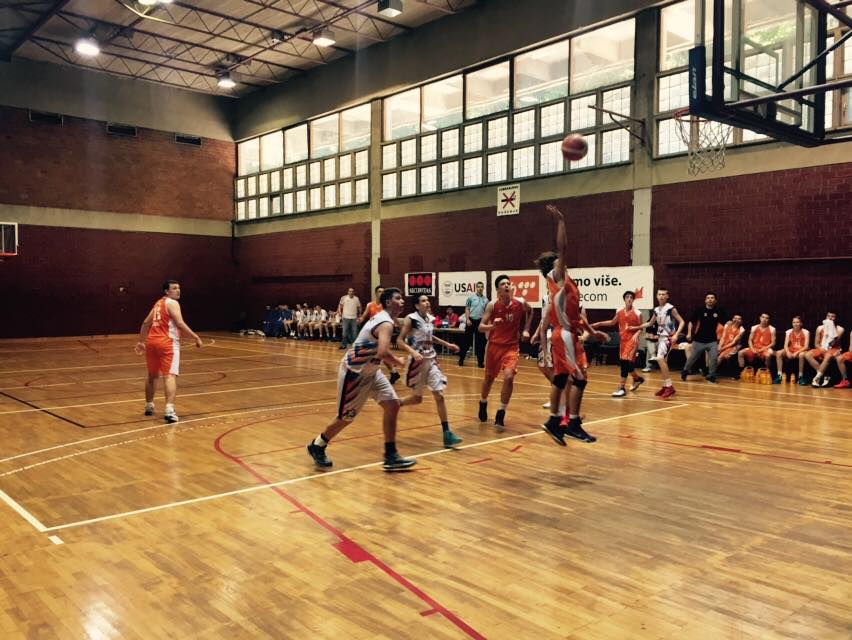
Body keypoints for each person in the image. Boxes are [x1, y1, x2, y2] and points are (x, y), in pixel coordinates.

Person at [306, 288, 415, 471]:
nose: (402, 301)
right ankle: (317, 445)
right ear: (388, 302)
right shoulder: (386, 323)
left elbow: (379, 352)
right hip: (354, 373)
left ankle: (390, 456)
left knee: (393, 405)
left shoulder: (387, 319)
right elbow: (383, 352)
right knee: (345, 418)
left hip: (372, 372)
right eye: (398, 298)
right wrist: (399, 361)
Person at [537, 205, 608, 444]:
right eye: (560, 262)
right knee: (579, 379)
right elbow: (563, 248)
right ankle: (572, 424)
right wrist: (561, 222)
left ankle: (554, 422)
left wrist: (593, 331)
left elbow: (577, 316)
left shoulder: (565, 285)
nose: (564, 264)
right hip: (564, 335)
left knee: (560, 378)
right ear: (555, 266)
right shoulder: (556, 278)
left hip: (567, 334)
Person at [398, 294, 463, 448]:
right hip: (417, 362)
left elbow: (430, 337)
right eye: (423, 301)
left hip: (431, 360)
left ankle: (447, 434)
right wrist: (413, 352)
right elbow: (399, 340)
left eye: (427, 300)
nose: (427, 302)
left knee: (439, 396)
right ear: (416, 305)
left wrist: (447, 344)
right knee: (417, 399)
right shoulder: (411, 319)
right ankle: (395, 404)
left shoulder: (430, 319)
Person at [134, 280, 203, 424]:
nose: (178, 290)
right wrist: (196, 337)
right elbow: (180, 323)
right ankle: (170, 411)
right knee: (170, 376)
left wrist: (141, 341)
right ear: (166, 291)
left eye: (179, 288)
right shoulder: (172, 303)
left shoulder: (158, 304)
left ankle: (149, 405)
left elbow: (146, 323)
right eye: (174, 288)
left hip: (152, 342)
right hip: (167, 343)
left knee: (152, 375)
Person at [477, 274, 532, 432]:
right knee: (489, 379)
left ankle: (501, 412)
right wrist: (493, 326)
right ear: (497, 289)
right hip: (494, 346)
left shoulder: (519, 303)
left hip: (511, 347)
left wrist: (526, 329)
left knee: (508, 377)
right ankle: (483, 402)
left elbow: (531, 311)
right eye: (503, 284)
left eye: (508, 283)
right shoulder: (492, 305)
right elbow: (480, 327)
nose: (507, 285)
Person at [592, 291, 645, 397]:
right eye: (627, 297)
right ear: (624, 299)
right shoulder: (619, 311)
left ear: (633, 300)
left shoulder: (638, 313)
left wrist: (637, 334)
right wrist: (599, 323)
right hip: (623, 340)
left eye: (631, 297)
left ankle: (622, 388)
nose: (629, 299)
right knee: (626, 363)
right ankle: (637, 379)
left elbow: (641, 327)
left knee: (624, 362)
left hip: (632, 340)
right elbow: (612, 322)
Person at [637, 288, 686, 399]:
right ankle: (665, 386)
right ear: (657, 296)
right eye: (659, 294)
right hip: (661, 338)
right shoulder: (656, 310)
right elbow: (650, 323)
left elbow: (682, 322)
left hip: (668, 338)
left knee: (659, 359)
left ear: (667, 296)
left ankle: (669, 387)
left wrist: (676, 335)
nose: (661, 296)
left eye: (664, 294)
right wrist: (636, 327)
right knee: (663, 362)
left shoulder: (670, 308)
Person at [681, 292, 726, 384]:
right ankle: (685, 370)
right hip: (699, 340)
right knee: (692, 358)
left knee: (714, 358)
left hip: (712, 340)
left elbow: (727, 322)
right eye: (708, 298)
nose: (710, 299)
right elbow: (691, 321)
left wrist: (731, 324)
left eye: (712, 298)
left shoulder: (719, 311)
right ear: (705, 300)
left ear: (715, 300)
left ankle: (711, 375)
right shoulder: (700, 310)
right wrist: (689, 333)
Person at [807, 312, 845, 387]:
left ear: (836, 318)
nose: (830, 318)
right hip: (822, 348)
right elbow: (816, 344)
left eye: (832, 316)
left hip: (834, 349)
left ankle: (816, 378)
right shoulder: (819, 328)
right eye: (828, 316)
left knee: (828, 356)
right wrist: (821, 349)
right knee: (807, 354)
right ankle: (825, 375)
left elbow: (832, 343)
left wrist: (830, 329)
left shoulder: (840, 329)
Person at [459, 282, 488, 368]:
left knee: (481, 343)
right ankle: (461, 359)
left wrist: (484, 322)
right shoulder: (471, 298)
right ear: (476, 288)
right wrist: (467, 319)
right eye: (478, 287)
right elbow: (467, 309)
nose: (480, 288)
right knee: (466, 341)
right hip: (471, 321)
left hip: (480, 322)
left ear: (483, 288)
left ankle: (480, 363)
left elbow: (486, 312)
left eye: (481, 287)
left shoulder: (486, 300)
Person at [775, 316, 809, 384]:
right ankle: (779, 375)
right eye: (794, 322)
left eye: (797, 322)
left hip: (801, 350)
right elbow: (785, 345)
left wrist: (796, 353)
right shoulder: (788, 331)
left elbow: (806, 346)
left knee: (802, 355)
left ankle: (800, 377)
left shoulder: (806, 332)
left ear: (801, 323)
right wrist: (788, 352)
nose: (795, 324)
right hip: (791, 349)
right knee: (778, 353)